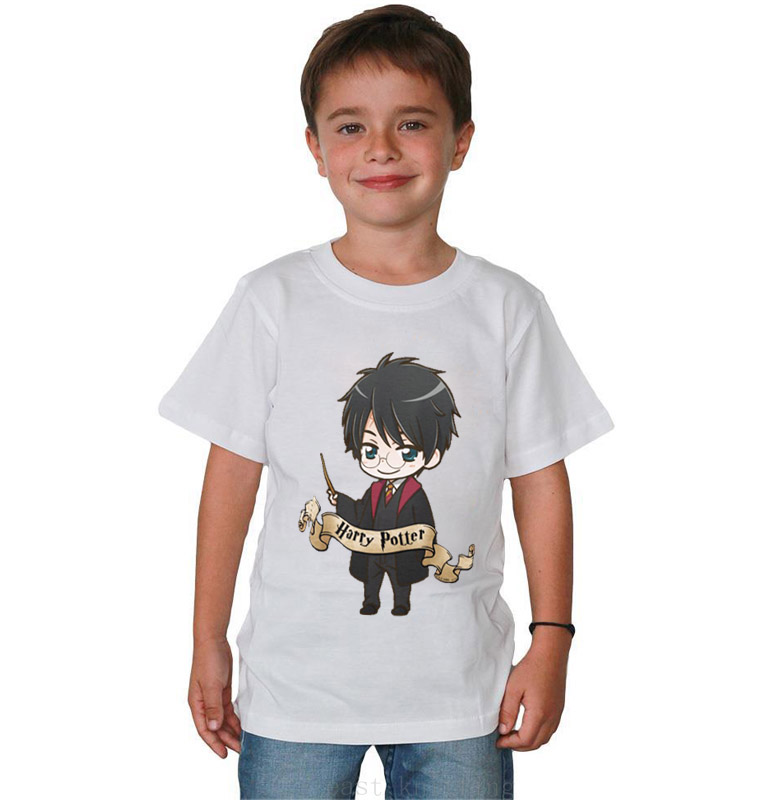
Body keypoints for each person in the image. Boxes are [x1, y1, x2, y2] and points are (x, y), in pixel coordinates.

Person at [158, 5, 614, 798]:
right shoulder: (272, 300)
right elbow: (229, 478)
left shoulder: (507, 307)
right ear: (315, 148)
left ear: (460, 141)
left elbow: (541, 481)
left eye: (411, 123)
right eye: (350, 126)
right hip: (296, 694)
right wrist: (206, 638)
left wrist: (553, 640)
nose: (380, 148)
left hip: (461, 695)